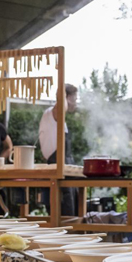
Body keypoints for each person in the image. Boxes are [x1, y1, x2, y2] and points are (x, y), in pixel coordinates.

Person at [38, 84, 78, 216]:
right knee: (62, 211)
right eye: (75, 98)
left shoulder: (58, 119)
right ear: (67, 98)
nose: (76, 102)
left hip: (64, 164)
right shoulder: (54, 112)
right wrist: (63, 93)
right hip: (56, 164)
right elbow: (61, 105)